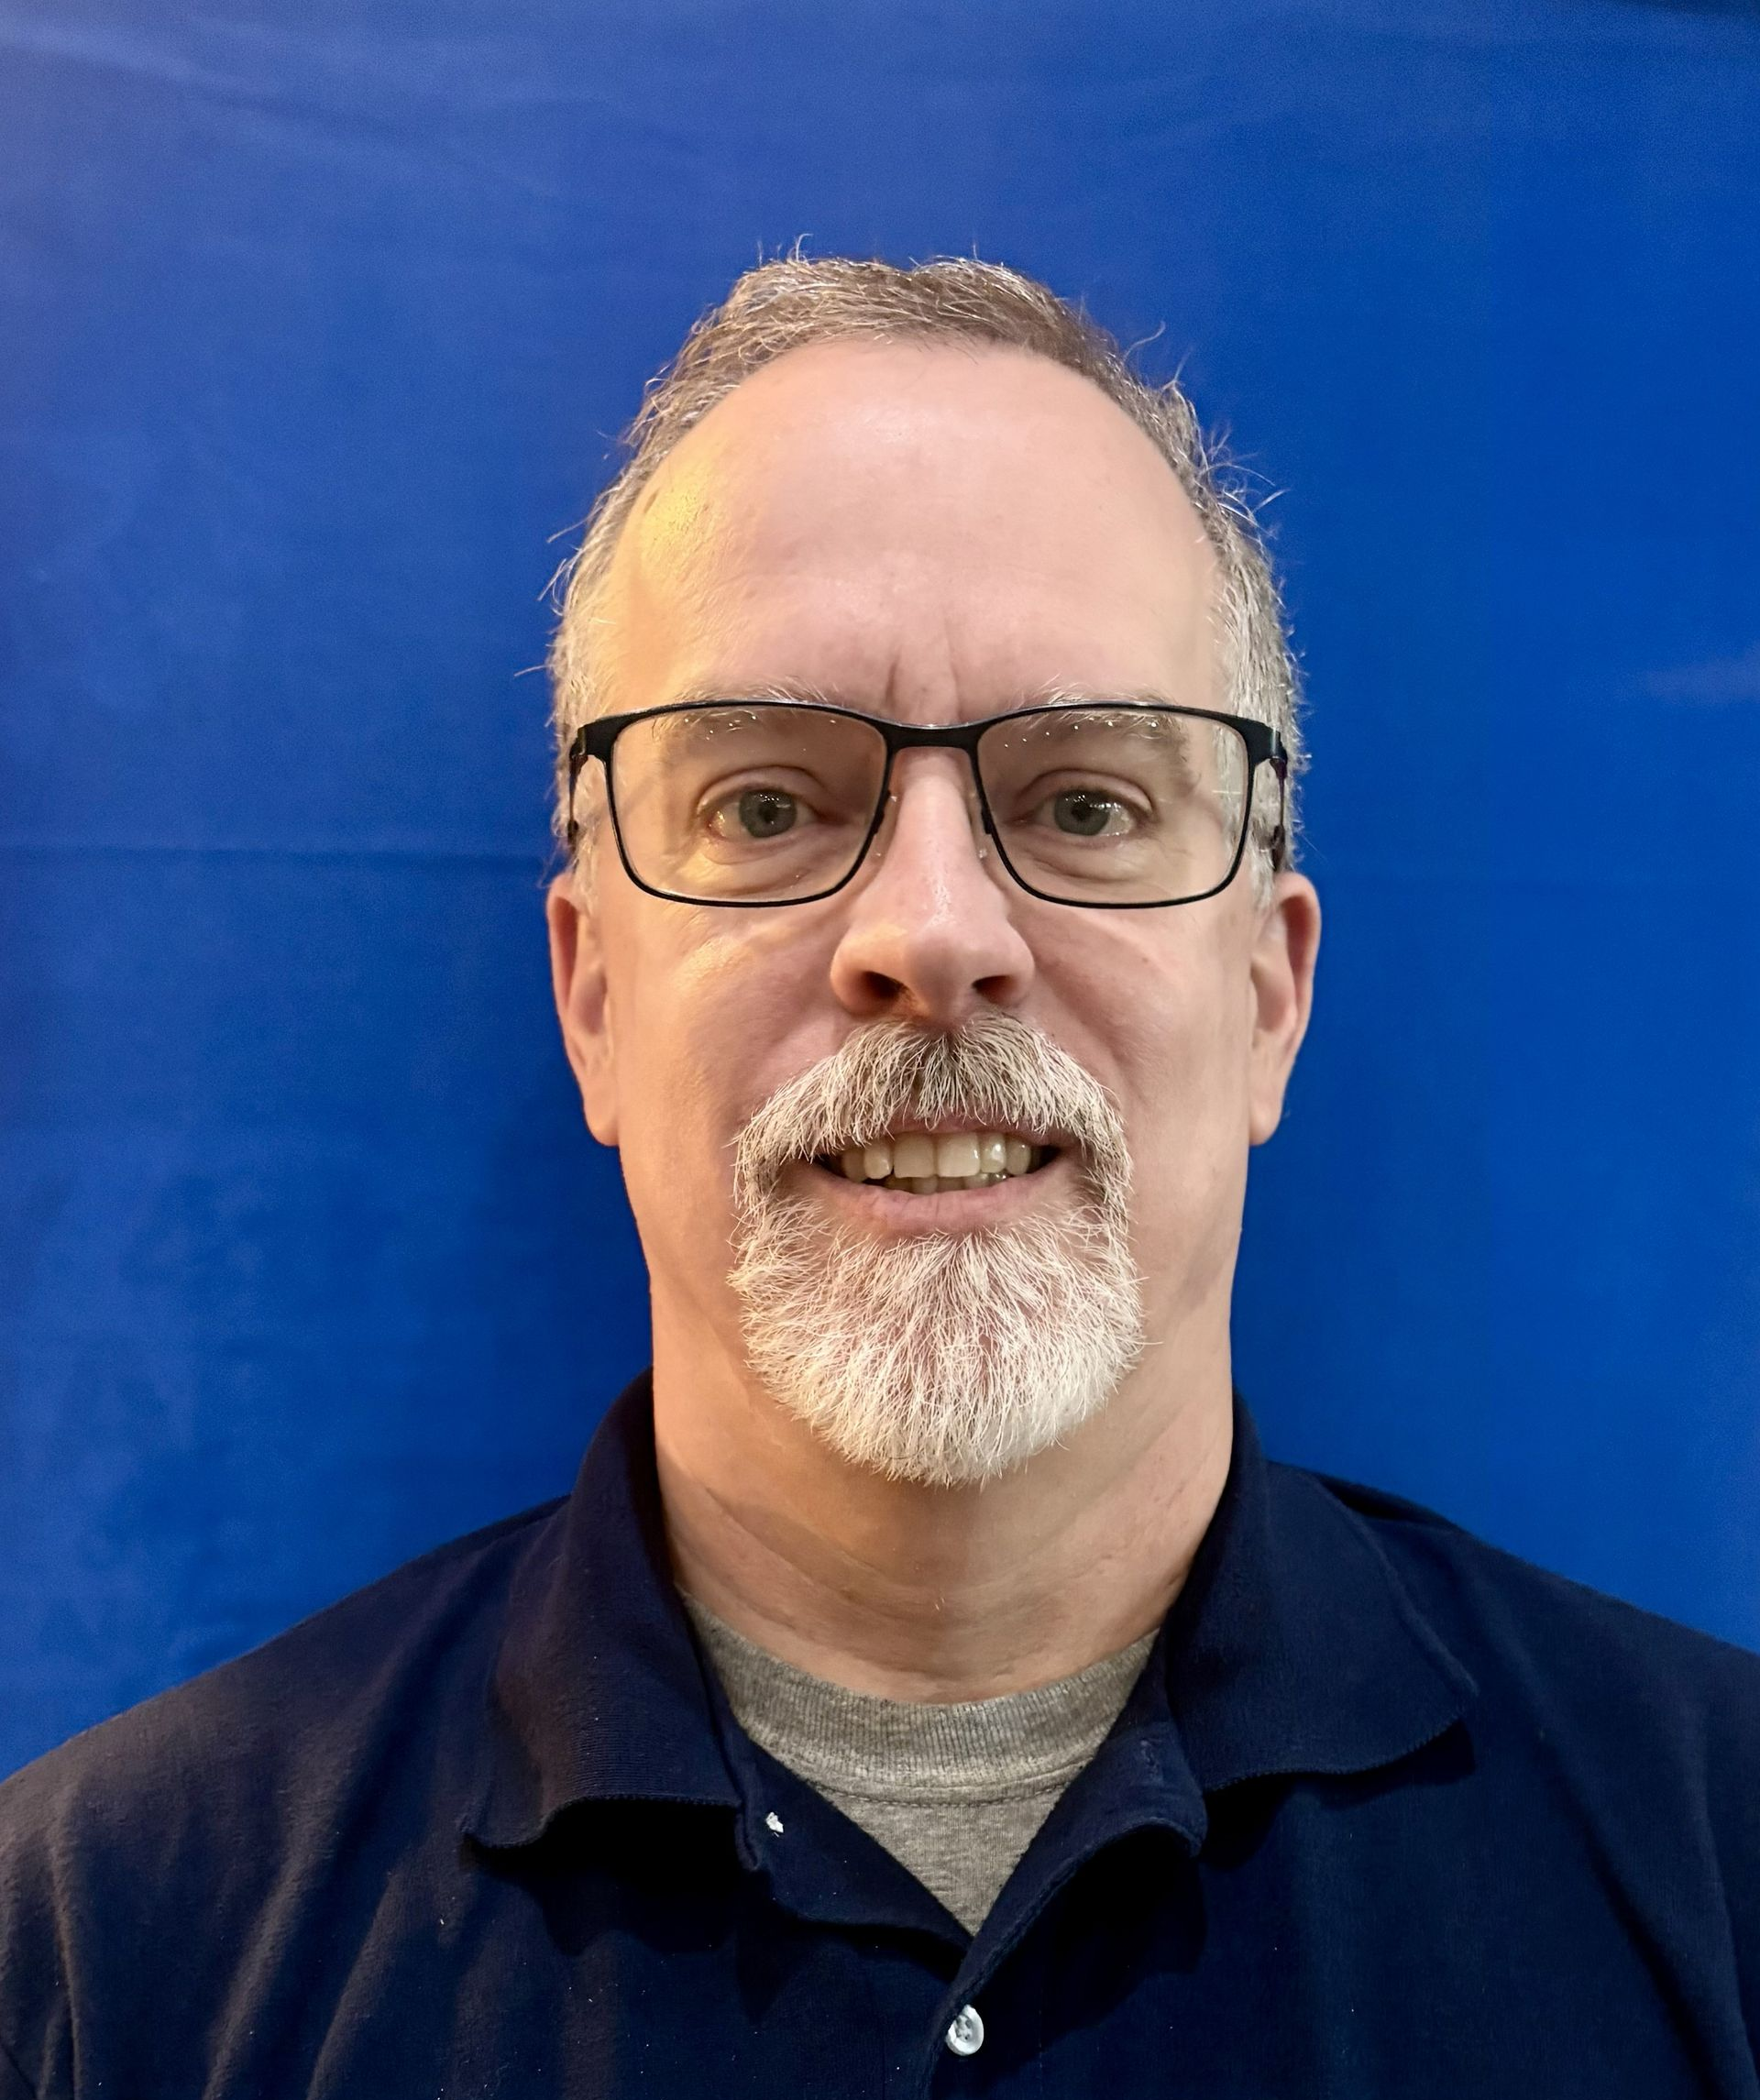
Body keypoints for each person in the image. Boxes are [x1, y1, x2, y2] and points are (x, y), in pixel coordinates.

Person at [1, 255, 1755, 2098]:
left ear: (1268, 993)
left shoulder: (1721, 1874)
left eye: (1085, 802)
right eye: (768, 803)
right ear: (592, 994)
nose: (933, 933)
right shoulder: (101, 1960)